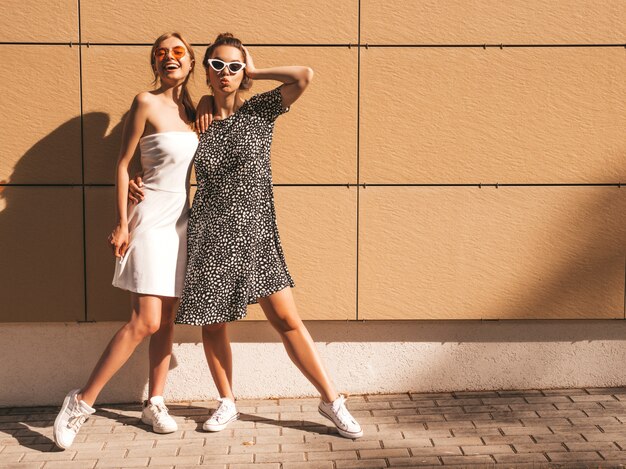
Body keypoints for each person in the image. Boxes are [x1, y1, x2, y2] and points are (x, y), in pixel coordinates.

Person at [165, 32, 362, 438]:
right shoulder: (192, 120)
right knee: (214, 323)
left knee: (287, 319)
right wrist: (134, 182)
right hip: (211, 234)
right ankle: (227, 401)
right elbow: (160, 155)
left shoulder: (259, 111)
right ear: (206, 71)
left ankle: (331, 400)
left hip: (256, 232)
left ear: (243, 73)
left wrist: (256, 70)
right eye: (217, 64)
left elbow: (303, 76)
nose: (225, 73)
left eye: (234, 66)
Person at [52, 32, 199, 449]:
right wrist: (122, 222)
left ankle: (155, 401)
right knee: (146, 321)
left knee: (167, 320)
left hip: (182, 221)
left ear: (190, 64)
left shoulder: (196, 112)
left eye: (178, 53)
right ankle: (80, 401)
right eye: (161, 53)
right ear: (155, 63)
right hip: (150, 217)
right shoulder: (144, 102)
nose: (169, 58)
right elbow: (122, 165)